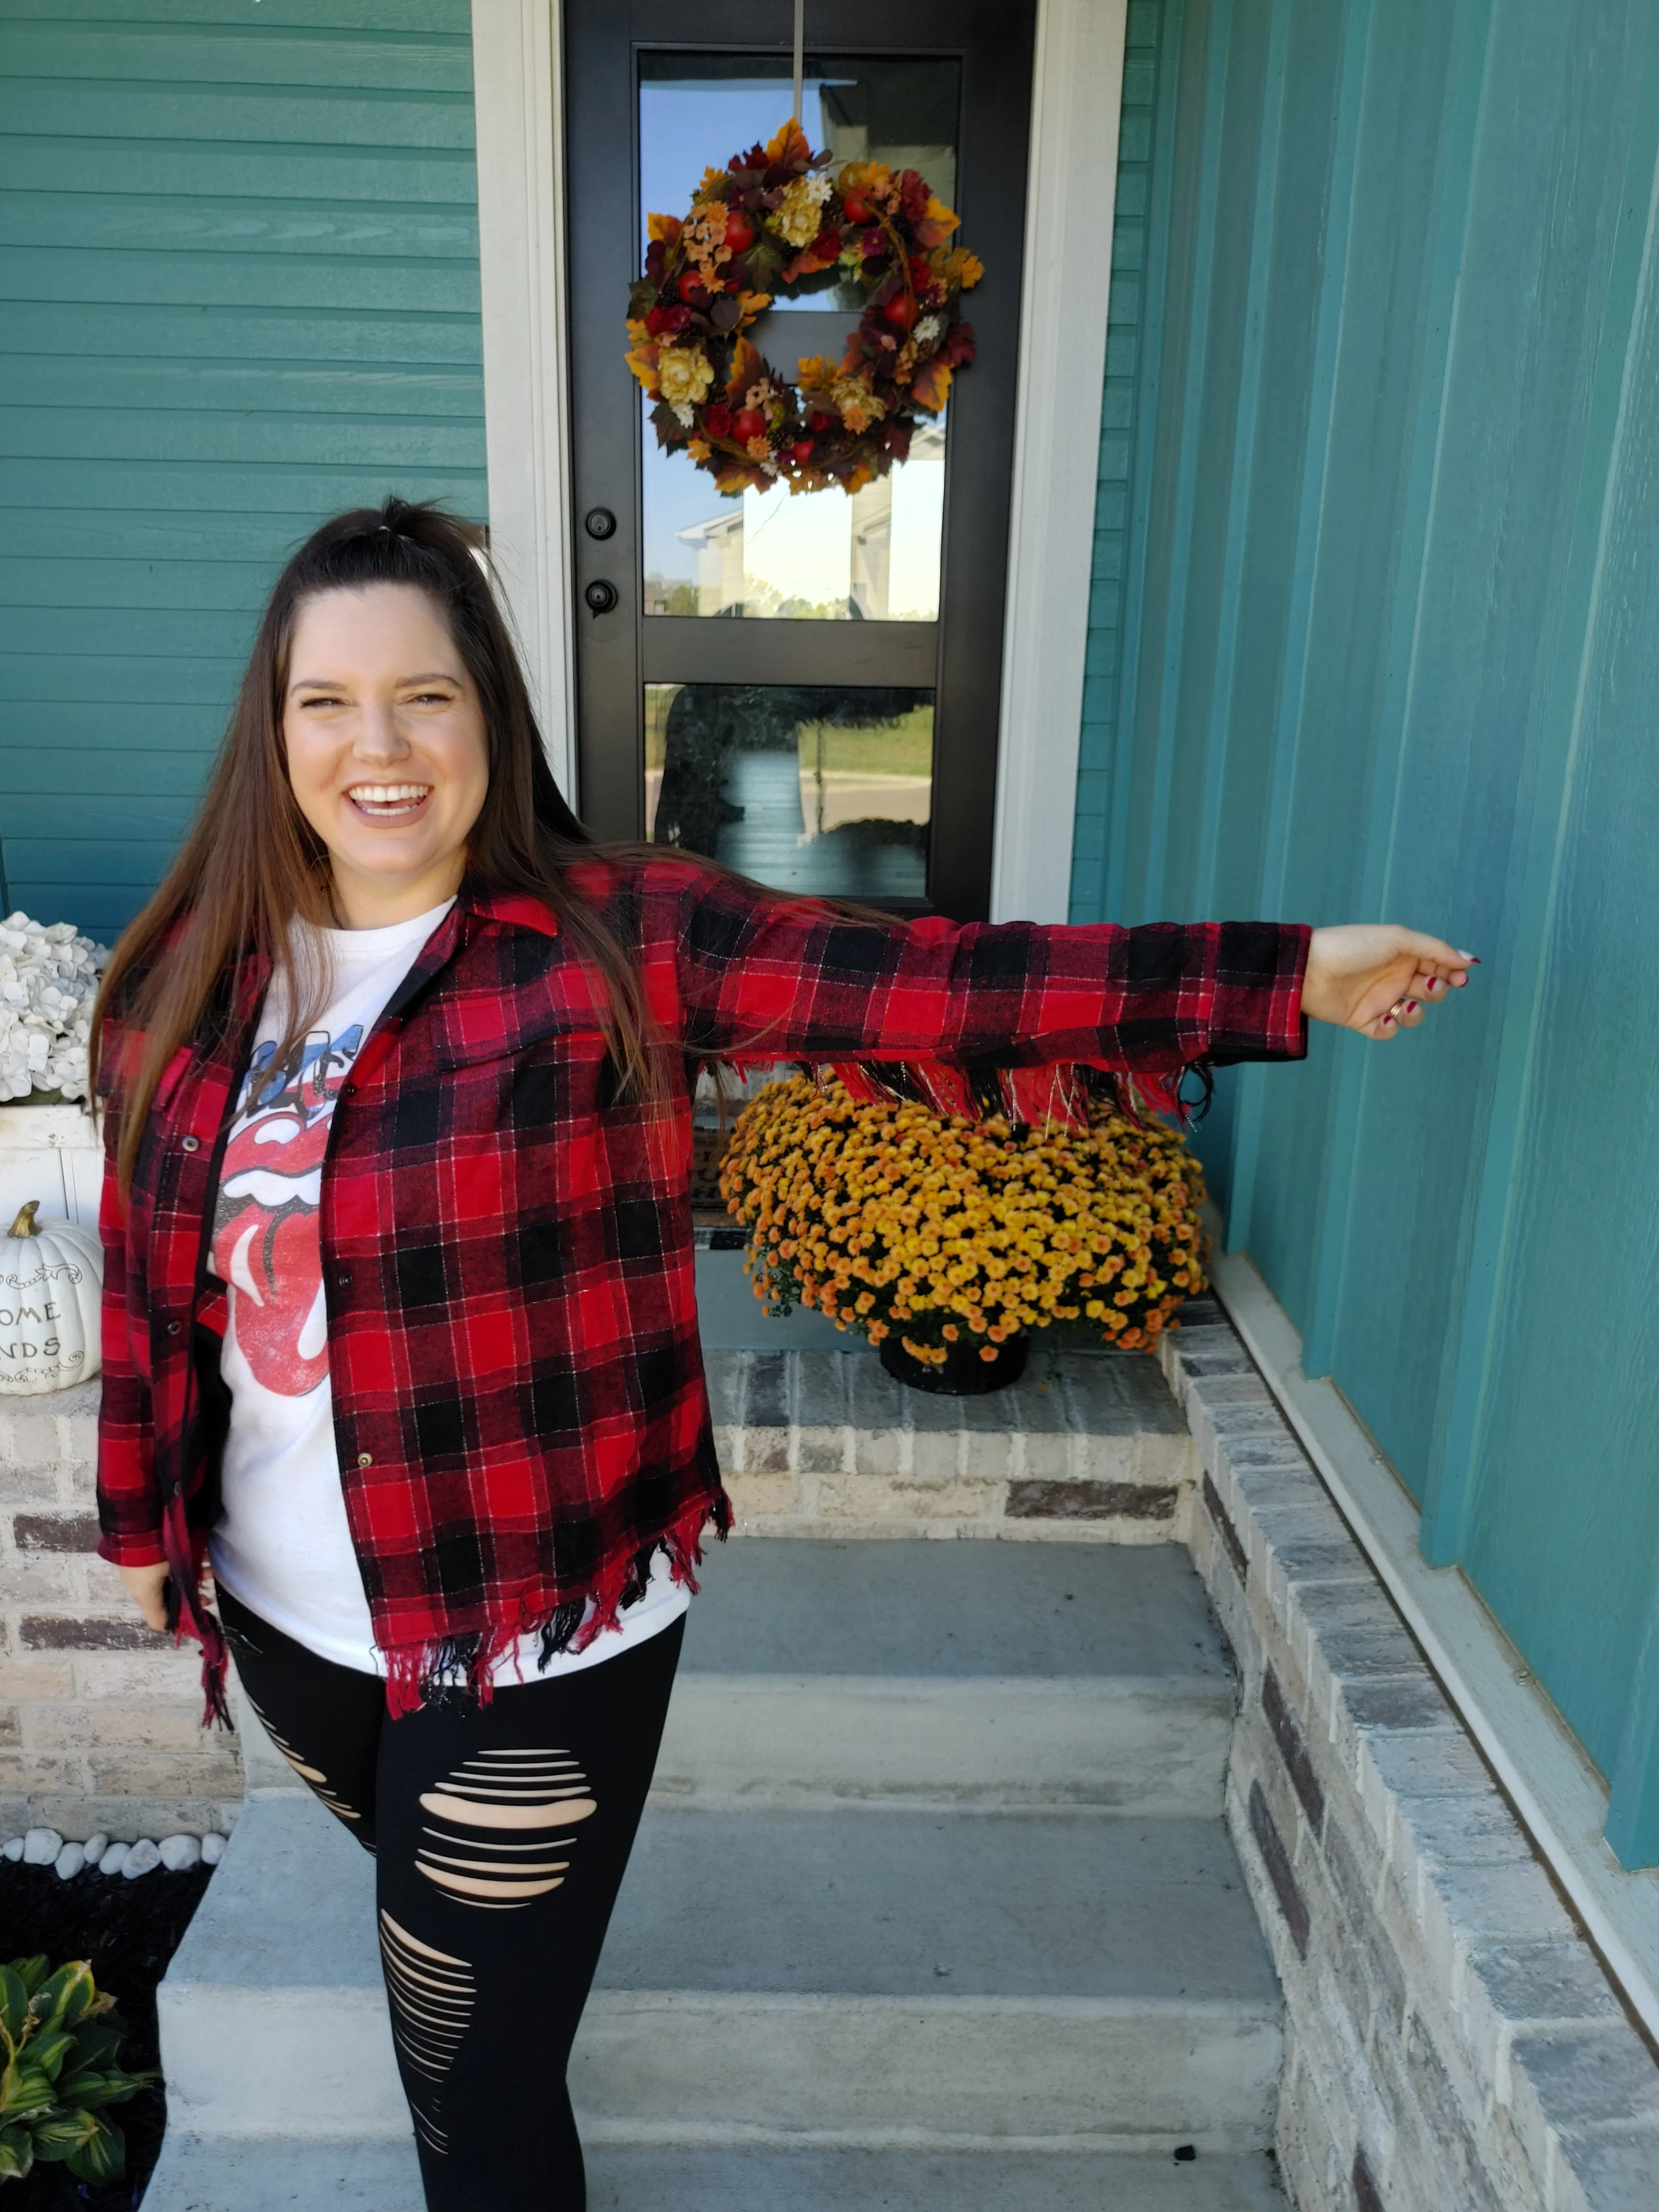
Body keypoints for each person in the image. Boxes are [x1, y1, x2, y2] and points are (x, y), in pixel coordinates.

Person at [93, 501, 1471, 2209]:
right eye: (328, 702)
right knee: (481, 2010)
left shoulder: (614, 938)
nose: (377, 747)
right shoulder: (187, 980)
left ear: (491, 717)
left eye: (425, 696)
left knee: (461, 2077)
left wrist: (1280, 978)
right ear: (273, 725)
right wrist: (142, 1521)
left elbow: (951, 988)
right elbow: (153, 1293)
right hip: (291, 1621)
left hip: (533, 1622)